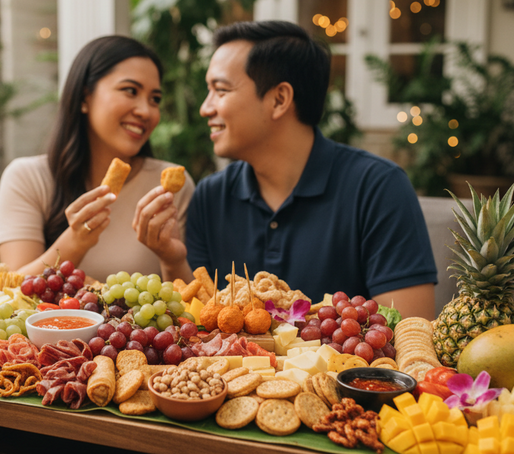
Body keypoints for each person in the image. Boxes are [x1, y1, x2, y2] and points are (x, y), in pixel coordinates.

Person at [185, 20, 437, 320]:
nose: (205, 107)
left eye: (221, 90)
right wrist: (170, 258)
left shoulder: (379, 188)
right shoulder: (210, 196)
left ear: (279, 99)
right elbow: (198, 327)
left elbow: (409, 334)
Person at [0, 36, 194, 283]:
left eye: (154, 99)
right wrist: (76, 242)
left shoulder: (171, 188)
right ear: (84, 97)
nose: (146, 111)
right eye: (130, 91)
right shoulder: (26, 178)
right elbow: (12, 290)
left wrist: (171, 258)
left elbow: (191, 308)